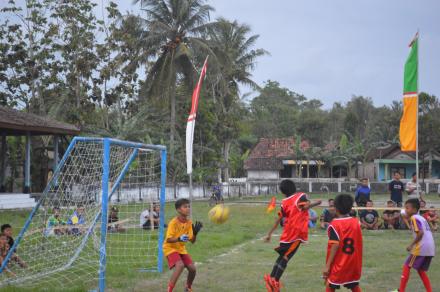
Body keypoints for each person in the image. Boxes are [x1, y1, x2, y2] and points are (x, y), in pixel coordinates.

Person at [263, 179, 322, 291]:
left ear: (283, 192)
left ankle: (271, 278)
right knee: (286, 257)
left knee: (282, 256)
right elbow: (304, 207)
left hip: (286, 234)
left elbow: (279, 219)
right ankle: (274, 282)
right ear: (294, 187)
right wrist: (316, 203)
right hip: (296, 234)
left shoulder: (284, 202)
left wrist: (269, 234)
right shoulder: (300, 196)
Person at [323, 194, 363, 292]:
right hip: (354, 262)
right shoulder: (356, 222)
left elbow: (335, 244)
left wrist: (327, 266)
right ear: (350, 208)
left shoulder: (334, 224)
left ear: (336, 208)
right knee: (353, 285)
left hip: (340, 262)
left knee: (330, 284)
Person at [393, 199, 435, 292]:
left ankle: (401, 290)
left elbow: (420, 233)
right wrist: (406, 219)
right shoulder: (421, 218)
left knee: (406, 266)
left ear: (414, 209)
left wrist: (411, 245)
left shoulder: (414, 218)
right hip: (430, 248)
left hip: (421, 248)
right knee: (420, 270)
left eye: (407, 208)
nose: (405, 209)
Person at [163, 198, 203, 292]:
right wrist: (179, 238)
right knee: (180, 265)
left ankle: (188, 288)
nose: (188, 208)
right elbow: (168, 239)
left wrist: (195, 233)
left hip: (181, 249)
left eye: (189, 206)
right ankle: (169, 290)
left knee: (192, 269)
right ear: (178, 210)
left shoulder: (189, 223)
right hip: (170, 248)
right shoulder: (173, 223)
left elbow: (192, 241)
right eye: (185, 207)